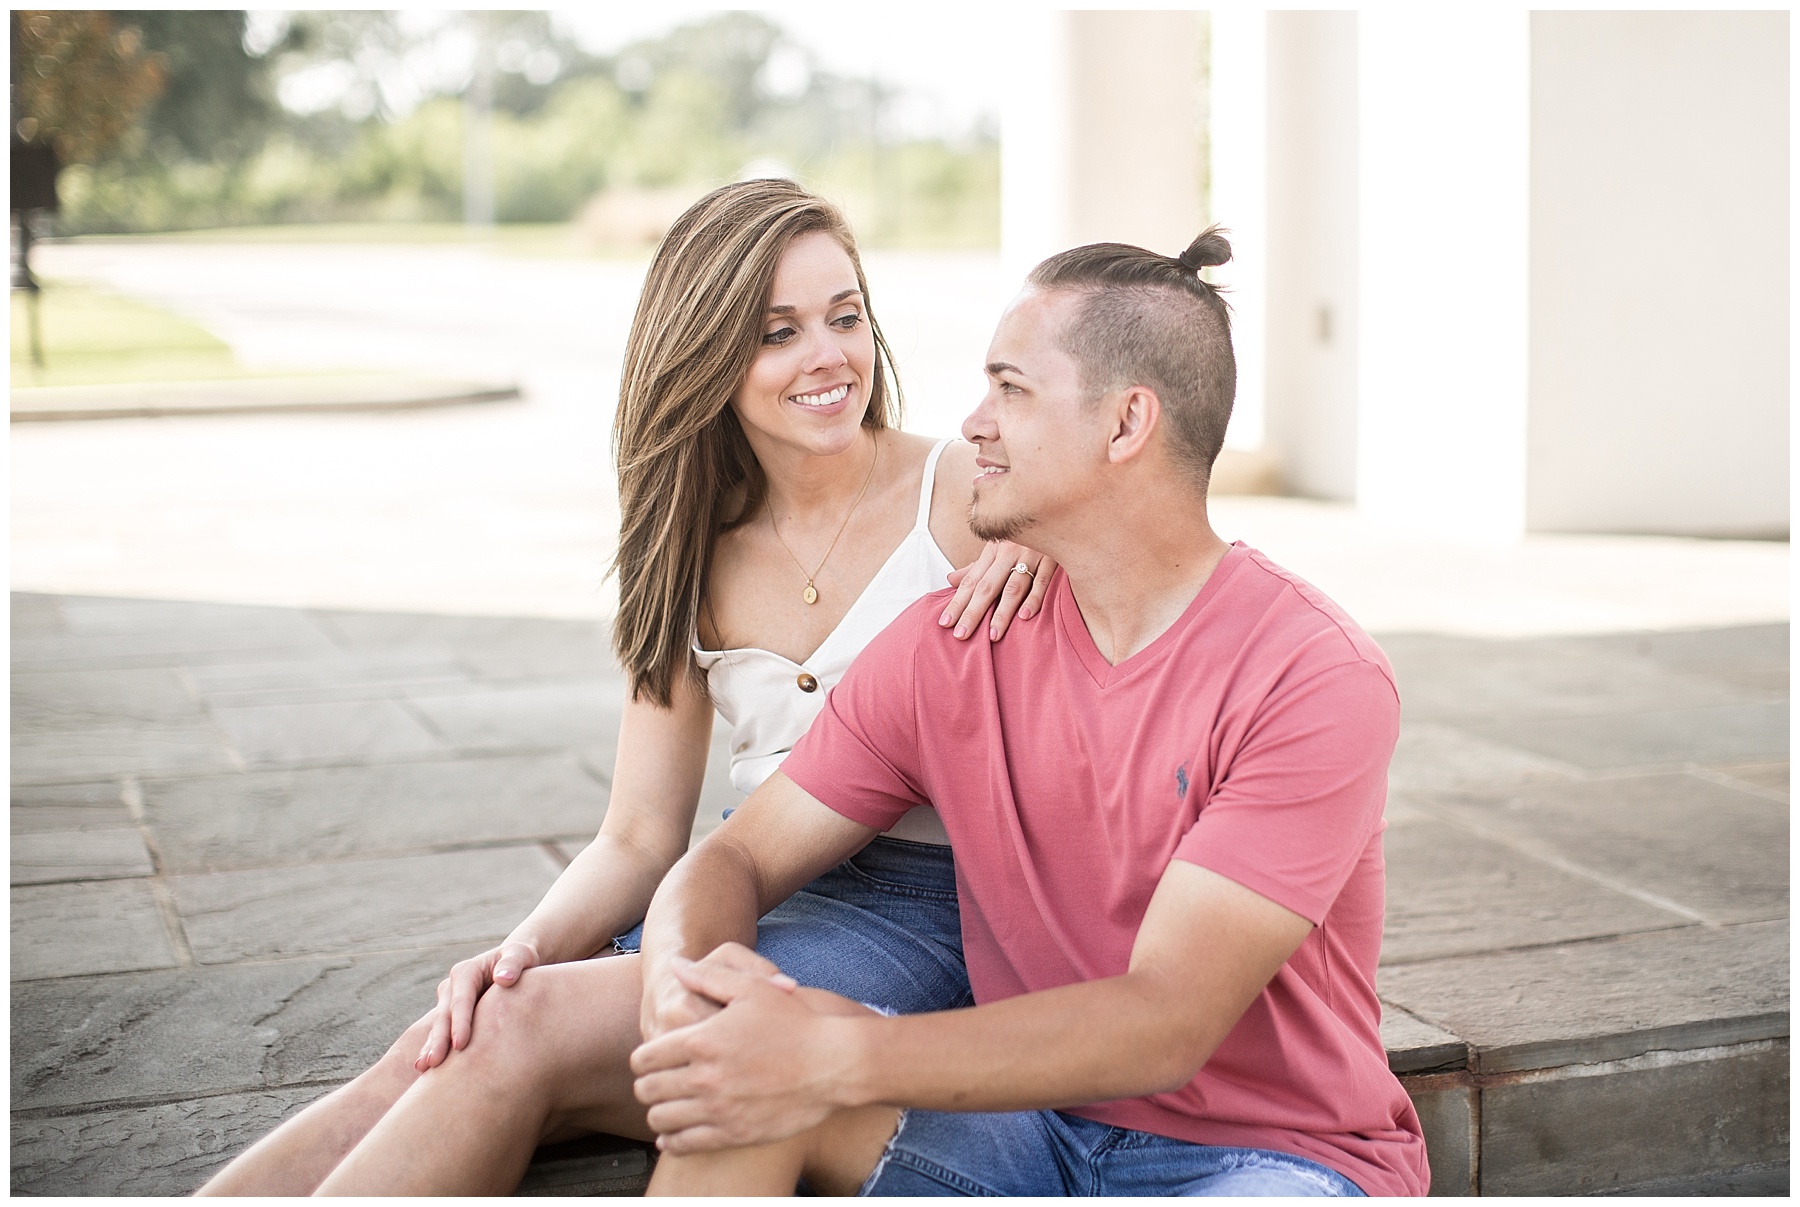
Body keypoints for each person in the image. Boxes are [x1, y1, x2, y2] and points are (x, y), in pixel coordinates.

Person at [197, 179, 1052, 1196]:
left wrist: (1053, 545)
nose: (829, 355)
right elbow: (639, 835)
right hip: (741, 891)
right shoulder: (694, 549)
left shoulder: (972, 494)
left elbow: (1153, 551)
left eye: (846, 314)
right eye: (778, 332)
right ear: (706, 355)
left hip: (918, 922)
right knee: (451, 1033)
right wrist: (515, 950)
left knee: (520, 1033)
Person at [625, 229, 1432, 1197]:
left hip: (1267, 1157)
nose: (973, 424)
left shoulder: (1311, 676)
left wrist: (825, 1053)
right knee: (735, 1108)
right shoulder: (950, 645)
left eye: (1011, 389)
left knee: (778, 1078)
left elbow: (1162, 1020)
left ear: (1127, 423)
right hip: (1027, 1134)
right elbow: (737, 856)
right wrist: (692, 988)